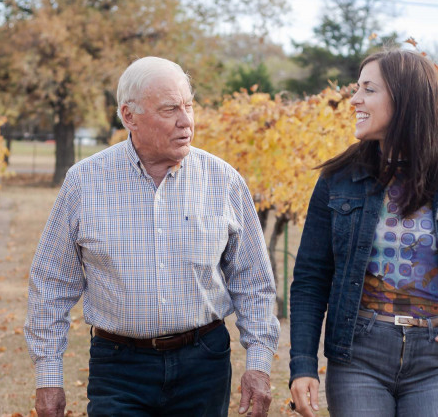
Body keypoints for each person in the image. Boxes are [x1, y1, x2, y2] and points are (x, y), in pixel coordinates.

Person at [25, 56, 280, 417]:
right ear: (129, 116)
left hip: (204, 364)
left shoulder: (223, 180)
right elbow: (51, 284)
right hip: (118, 368)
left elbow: (254, 281)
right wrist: (48, 377)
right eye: (170, 109)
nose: (186, 121)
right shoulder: (84, 182)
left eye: (189, 105)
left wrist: (258, 363)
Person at [289, 49, 438, 417]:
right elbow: (310, 280)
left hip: (437, 357)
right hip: (359, 353)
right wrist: (302, 364)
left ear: (405, 99)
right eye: (356, 88)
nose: (354, 100)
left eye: (369, 89)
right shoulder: (339, 178)